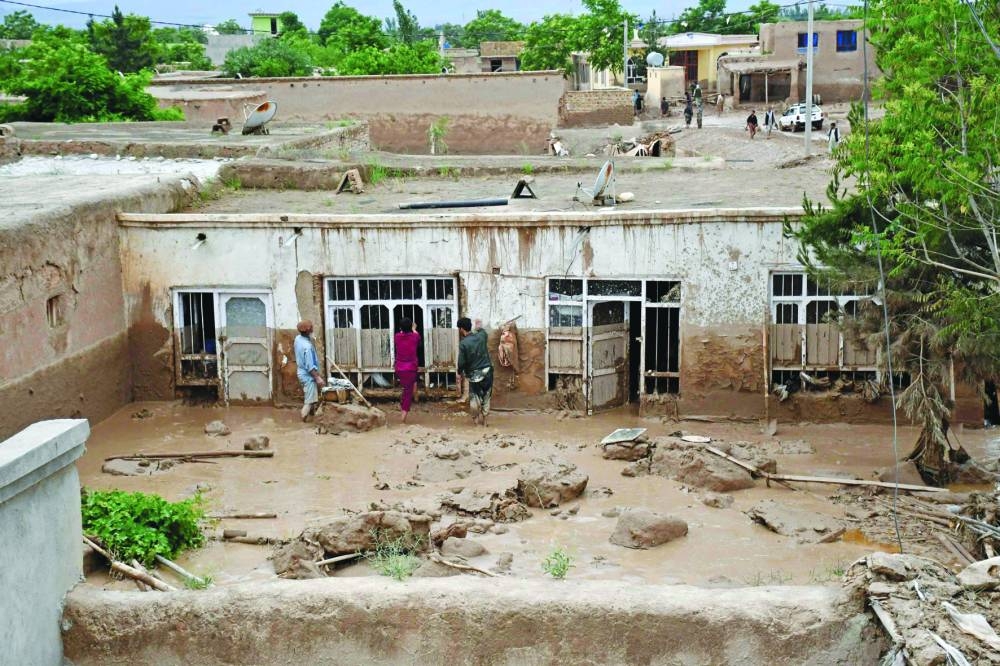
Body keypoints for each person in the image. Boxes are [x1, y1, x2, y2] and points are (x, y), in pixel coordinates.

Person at [457, 317, 493, 426]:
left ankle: (477, 425)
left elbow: (461, 363)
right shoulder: (482, 336)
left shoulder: (463, 343)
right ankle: (486, 423)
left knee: (474, 398)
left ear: (462, 329)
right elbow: (482, 331)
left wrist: (459, 372)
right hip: (488, 372)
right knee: (486, 396)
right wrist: (479, 327)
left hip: (475, 375)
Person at [294, 320, 325, 421]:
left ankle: (312, 414)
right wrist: (317, 378)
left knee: (310, 395)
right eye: (311, 327)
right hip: (308, 375)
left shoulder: (298, 339)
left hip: (301, 373)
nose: (313, 328)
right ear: (307, 330)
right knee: (309, 400)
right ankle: (303, 417)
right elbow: (310, 366)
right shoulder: (307, 347)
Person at [393, 317, 420, 423]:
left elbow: (402, 332)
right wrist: (413, 328)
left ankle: (407, 401)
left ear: (400, 328)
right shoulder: (415, 337)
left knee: (406, 388)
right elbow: (416, 335)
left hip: (400, 368)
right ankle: (403, 416)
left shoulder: (397, 337)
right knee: (407, 392)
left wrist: (407, 328)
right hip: (410, 369)